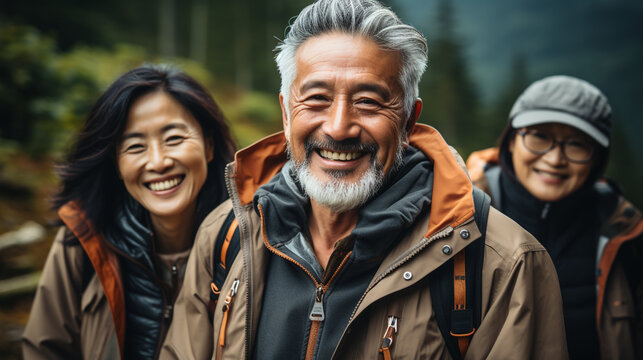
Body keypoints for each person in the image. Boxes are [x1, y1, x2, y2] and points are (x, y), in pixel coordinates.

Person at [162, 1, 568, 359]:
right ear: (287, 114)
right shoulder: (227, 233)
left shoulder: (502, 264)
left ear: (408, 120)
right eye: (317, 98)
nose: (338, 128)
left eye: (369, 102)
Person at [21, 64, 236, 359]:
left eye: (173, 139)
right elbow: (45, 350)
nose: (158, 162)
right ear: (117, 165)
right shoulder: (85, 239)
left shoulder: (249, 243)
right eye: (135, 146)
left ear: (208, 146)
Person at [466, 75, 643, 359]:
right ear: (510, 142)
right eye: (539, 136)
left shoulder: (626, 237)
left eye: (577, 144)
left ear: (597, 158)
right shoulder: (461, 215)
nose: (555, 159)